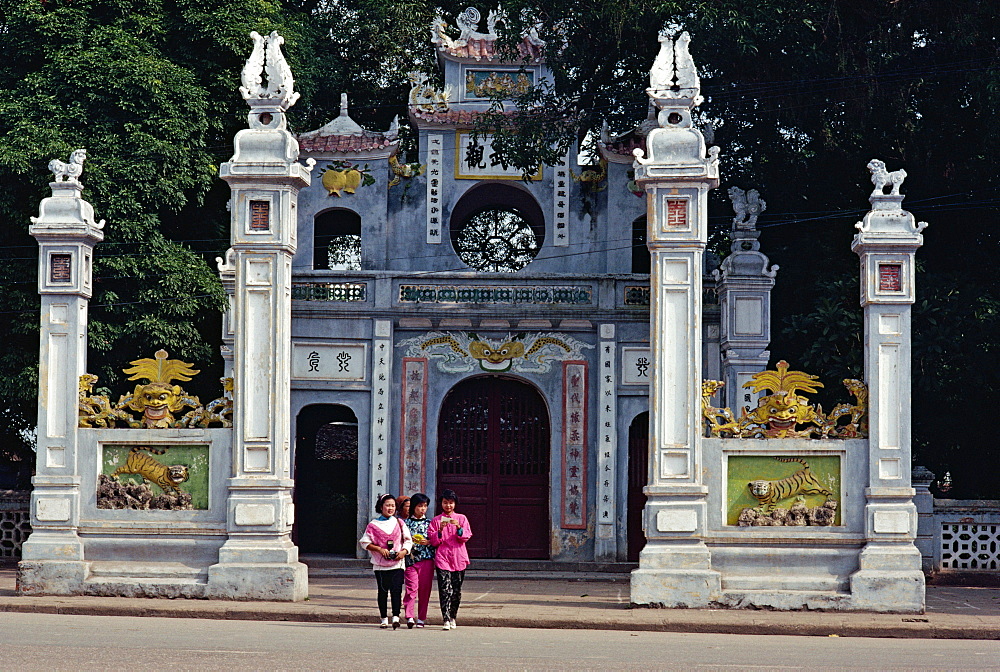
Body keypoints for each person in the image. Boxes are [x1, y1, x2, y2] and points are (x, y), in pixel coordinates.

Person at [359, 493, 412, 629]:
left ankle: (395, 616)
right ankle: (383, 618)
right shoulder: (373, 525)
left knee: (396, 590)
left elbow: (408, 540)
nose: (390, 508)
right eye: (387, 505)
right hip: (380, 565)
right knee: (382, 591)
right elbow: (365, 542)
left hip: (398, 563)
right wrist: (378, 549)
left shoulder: (399, 522)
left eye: (393, 506)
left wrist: (403, 552)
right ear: (381, 507)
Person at [428, 488, 472, 631]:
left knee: (456, 590)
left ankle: (453, 616)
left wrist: (458, 527)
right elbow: (433, 541)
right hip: (442, 557)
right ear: (441, 503)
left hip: (458, 557)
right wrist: (440, 530)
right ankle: (445, 618)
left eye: (451, 503)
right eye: (445, 503)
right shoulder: (436, 520)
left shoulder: (462, 518)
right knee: (444, 589)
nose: (448, 506)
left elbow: (465, 536)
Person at [402, 492, 435, 629]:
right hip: (411, 560)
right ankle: (409, 616)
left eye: (425, 506)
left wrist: (428, 542)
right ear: (413, 507)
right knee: (411, 589)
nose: (422, 509)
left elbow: (437, 540)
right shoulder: (405, 523)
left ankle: (421, 618)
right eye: (420, 506)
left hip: (427, 559)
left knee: (425, 590)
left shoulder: (431, 523)